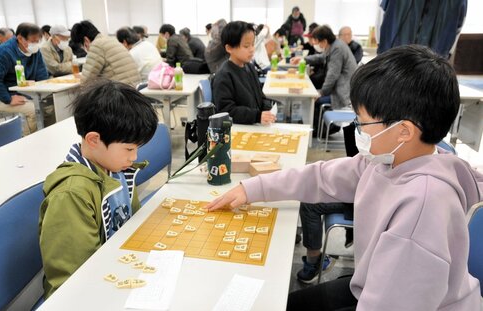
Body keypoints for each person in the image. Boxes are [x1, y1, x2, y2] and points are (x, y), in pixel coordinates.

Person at [207, 44, 483, 311]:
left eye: (363, 122)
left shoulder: (423, 206)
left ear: (404, 131)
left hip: (403, 300)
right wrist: (252, 188)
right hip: (373, 284)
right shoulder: (387, 160)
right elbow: (321, 177)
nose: (359, 130)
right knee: (285, 303)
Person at [39, 79, 158, 299]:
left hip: (114, 271)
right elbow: (73, 281)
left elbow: (131, 224)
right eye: (129, 149)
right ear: (94, 139)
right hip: (82, 295)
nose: (134, 157)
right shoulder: (72, 195)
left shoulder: (114, 168)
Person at [291, 25, 357, 136]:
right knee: (314, 97)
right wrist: (303, 59)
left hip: (343, 91)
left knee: (315, 100)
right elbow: (322, 57)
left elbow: (332, 75)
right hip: (339, 87)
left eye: (318, 42)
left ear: (325, 41)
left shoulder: (337, 49)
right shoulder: (334, 45)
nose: (318, 45)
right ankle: (320, 128)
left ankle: (323, 130)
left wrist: (321, 92)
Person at [0, 22, 49, 135]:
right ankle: (29, 141)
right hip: (3, 97)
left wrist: (44, 92)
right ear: (19, 38)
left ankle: (47, 135)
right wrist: (8, 99)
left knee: (49, 106)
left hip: (27, 93)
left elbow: (42, 74)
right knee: (34, 110)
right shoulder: (3, 52)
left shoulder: (34, 51)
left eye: (38, 40)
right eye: (33, 41)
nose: (36, 44)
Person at [212, 21, 275, 125]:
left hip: (253, 124)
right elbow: (226, 111)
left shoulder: (250, 67)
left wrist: (267, 109)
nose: (252, 50)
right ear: (229, 48)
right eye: (246, 46)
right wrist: (257, 116)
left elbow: (260, 96)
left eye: (252, 44)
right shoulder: (224, 75)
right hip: (238, 129)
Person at [70, 20, 140, 87]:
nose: (84, 49)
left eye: (82, 46)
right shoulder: (110, 40)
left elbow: (86, 80)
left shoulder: (97, 45)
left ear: (86, 40)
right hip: (133, 89)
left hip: (121, 93)